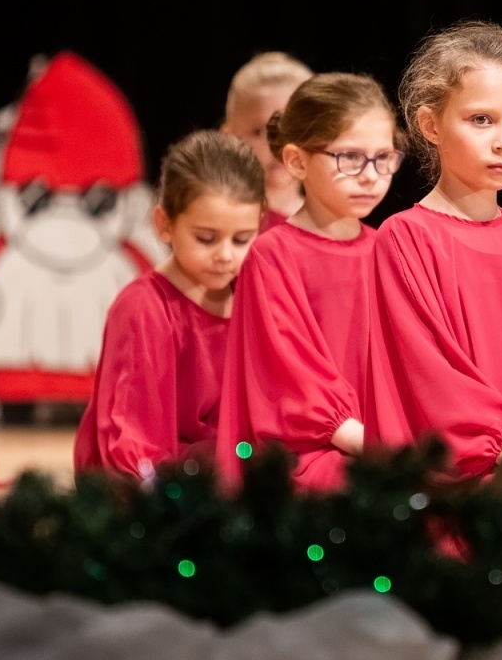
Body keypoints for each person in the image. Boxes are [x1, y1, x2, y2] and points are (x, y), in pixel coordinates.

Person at [365, 21, 502, 478]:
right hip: (468, 483)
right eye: (481, 119)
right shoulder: (406, 238)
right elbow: (430, 375)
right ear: (430, 125)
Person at [218, 74, 401, 491]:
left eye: (384, 158)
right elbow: (291, 378)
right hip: (304, 452)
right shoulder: (273, 254)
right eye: (350, 158)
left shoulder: (389, 249)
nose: (371, 176)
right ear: (297, 161)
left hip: (378, 440)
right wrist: (375, 443)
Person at [74, 130, 264, 478]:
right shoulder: (144, 308)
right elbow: (130, 441)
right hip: (157, 476)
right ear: (164, 224)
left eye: (241, 239)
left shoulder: (254, 294)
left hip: (225, 462)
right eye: (206, 238)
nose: (225, 255)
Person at [220, 52, 313, 229]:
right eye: (260, 131)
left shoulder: (335, 225)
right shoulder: (217, 222)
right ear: (229, 138)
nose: (280, 145)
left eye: (294, 130)